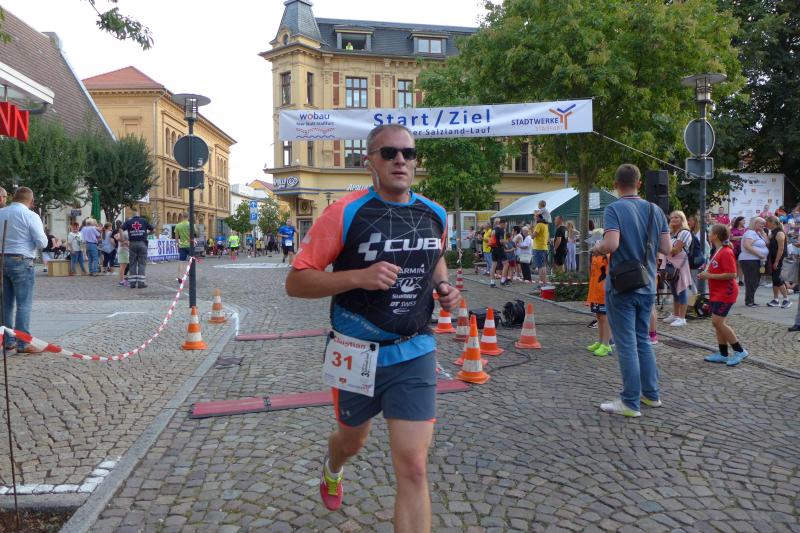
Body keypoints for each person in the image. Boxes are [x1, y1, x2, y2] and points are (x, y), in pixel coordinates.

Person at [285, 124, 458, 532]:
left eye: (408, 154)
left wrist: (443, 286)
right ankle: (333, 467)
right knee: (352, 442)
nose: (400, 160)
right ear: (370, 162)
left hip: (414, 349)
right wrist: (358, 277)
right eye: (389, 153)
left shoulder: (433, 214)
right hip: (354, 351)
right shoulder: (345, 212)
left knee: (414, 466)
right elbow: (295, 282)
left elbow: (434, 255)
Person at [592, 164, 671, 418]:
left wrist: (597, 247)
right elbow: (667, 248)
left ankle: (629, 402)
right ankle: (651, 394)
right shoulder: (655, 210)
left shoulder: (614, 209)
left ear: (616, 185)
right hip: (647, 284)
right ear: (639, 183)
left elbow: (611, 244)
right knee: (643, 340)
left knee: (626, 343)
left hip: (622, 286)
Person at [0, 187, 48, 354]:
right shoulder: (30, 215)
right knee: (24, 303)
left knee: (5, 304)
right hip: (21, 260)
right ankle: (23, 342)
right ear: (31, 201)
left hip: (2, 259)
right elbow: (42, 242)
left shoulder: (1, 213)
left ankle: (8, 340)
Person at [698, 224, 748, 366]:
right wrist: (706, 273)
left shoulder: (726, 252)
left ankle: (740, 351)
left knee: (717, 322)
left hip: (726, 292)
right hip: (717, 291)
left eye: (710, 232)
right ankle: (723, 353)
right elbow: (718, 269)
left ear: (715, 236)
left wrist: (708, 275)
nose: (708, 234)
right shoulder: (718, 250)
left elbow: (732, 274)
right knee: (718, 324)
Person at [663, 211, 693, 327]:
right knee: (674, 291)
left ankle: (682, 317)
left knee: (681, 290)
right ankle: (676, 315)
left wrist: (663, 246)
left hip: (680, 265)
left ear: (682, 219)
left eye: (677, 217)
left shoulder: (684, 232)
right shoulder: (671, 233)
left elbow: (676, 250)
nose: (674, 219)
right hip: (671, 264)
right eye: (672, 218)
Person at [586, 249, 612, 357]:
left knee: (605, 318)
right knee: (599, 317)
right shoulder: (594, 254)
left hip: (604, 291)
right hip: (595, 290)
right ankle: (600, 341)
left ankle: (606, 344)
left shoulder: (608, 254)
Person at [739, 217, 769, 307]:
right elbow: (747, 246)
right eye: (761, 223)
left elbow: (767, 242)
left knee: (755, 280)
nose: (763, 225)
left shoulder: (758, 233)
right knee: (751, 280)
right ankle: (749, 301)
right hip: (749, 259)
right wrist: (760, 254)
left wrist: (763, 233)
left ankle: (751, 300)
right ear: (755, 223)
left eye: (764, 224)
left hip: (756, 260)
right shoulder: (750, 233)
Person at [765, 215, 792, 308]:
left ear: (772, 222)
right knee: (774, 279)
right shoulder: (773, 232)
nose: (766, 224)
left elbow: (781, 249)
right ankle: (776, 300)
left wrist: (776, 261)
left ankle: (786, 299)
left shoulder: (780, 233)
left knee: (777, 279)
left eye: (767, 222)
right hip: (774, 259)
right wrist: (762, 232)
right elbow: (768, 242)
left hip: (780, 260)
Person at [122, 209, 154, 289]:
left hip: (132, 244)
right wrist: (146, 234)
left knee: (132, 263)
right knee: (141, 264)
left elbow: (120, 229)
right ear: (138, 215)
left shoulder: (129, 221)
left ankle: (132, 283)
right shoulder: (144, 220)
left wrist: (123, 240)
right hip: (142, 243)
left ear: (132, 216)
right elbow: (153, 229)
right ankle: (141, 283)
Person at [532, 213, 549, 285]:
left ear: (538, 218)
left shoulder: (539, 225)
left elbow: (533, 236)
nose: (534, 219)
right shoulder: (545, 225)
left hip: (538, 248)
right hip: (544, 247)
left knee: (540, 266)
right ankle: (544, 282)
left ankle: (541, 283)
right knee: (543, 266)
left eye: (535, 217)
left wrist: (531, 231)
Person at [489, 219, 506, 287]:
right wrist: (505, 244)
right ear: (501, 223)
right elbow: (501, 241)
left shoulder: (493, 230)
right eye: (505, 225)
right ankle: (503, 281)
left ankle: (492, 282)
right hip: (499, 248)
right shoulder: (501, 230)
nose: (505, 226)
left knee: (493, 266)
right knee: (506, 263)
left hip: (493, 248)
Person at [730, 216, 746, 286]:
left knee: (740, 264)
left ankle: (740, 280)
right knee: (734, 264)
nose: (744, 222)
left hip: (742, 249)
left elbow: (746, 238)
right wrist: (740, 237)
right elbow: (730, 238)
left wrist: (735, 238)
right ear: (739, 221)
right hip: (733, 249)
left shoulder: (745, 230)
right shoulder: (732, 229)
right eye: (743, 220)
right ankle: (734, 279)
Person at [174, 213, 191, 283]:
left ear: (182, 217)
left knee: (181, 261)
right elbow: (196, 234)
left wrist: (177, 244)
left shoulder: (178, 225)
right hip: (190, 245)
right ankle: (189, 272)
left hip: (182, 245)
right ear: (188, 217)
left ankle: (179, 276)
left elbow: (176, 237)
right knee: (191, 261)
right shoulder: (191, 225)